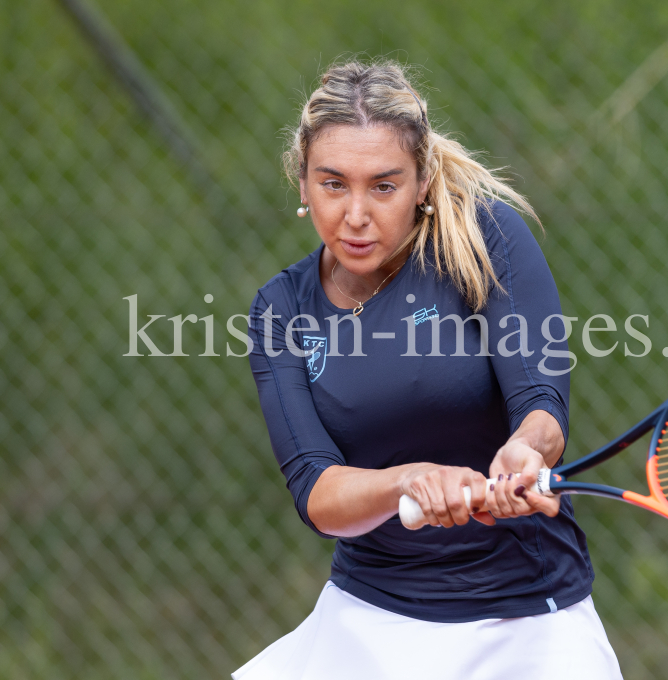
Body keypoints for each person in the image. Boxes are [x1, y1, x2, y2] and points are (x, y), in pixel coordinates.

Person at [234, 59, 622, 680]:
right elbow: (317, 490)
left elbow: (541, 401)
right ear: (302, 185)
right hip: (369, 616)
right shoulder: (281, 309)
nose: (356, 214)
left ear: (421, 183)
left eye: (383, 186)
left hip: (525, 621)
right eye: (334, 184)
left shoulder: (486, 238)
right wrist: (405, 481)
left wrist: (527, 450)